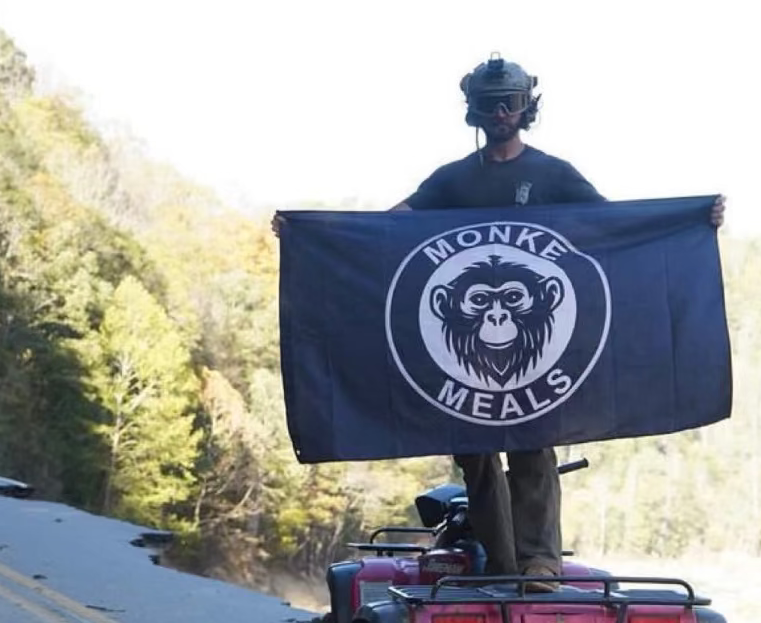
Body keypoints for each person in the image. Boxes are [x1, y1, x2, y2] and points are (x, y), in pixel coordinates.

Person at [275, 53, 725, 591]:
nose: (499, 113)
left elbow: (614, 227)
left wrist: (695, 220)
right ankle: (504, 559)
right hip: (463, 355)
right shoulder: (454, 180)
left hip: (541, 345)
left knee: (533, 444)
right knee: (476, 455)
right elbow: (388, 227)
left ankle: (541, 563)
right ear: (474, 110)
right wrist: (312, 234)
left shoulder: (553, 173)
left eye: (508, 103)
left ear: (525, 106)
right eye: (489, 105)